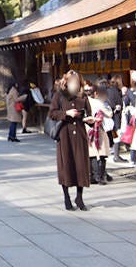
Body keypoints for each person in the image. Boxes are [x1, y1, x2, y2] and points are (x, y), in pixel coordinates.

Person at [48, 70, 93, 211]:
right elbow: (52, 113)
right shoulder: (59, 96)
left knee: (81, 166)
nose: (75, 84)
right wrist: (65, 114)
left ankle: (79, 197)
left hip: (79, 134)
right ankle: (66, 197)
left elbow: (88, 114)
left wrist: (90, 120)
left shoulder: (83, 97)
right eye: (72, 81)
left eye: (77, 82)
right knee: (66, 165)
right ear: (66, 82)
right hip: (65, 135)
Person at [87, 81, 114, 185]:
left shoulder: (84, 101)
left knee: (91, 154)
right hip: (98, 129)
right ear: (96, 93)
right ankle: (101, 177)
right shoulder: (98, 103)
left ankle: (92, 176)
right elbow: (109, 114)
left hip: (87, 129)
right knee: (102, 154)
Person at [108, 75, 125, 161]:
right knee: (116, 134)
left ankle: (116, 154)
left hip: (114, 116)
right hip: (115, 116)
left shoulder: (111, 90)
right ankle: (116, 155)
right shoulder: (114, 91)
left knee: (116, 135)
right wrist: (115, 107)